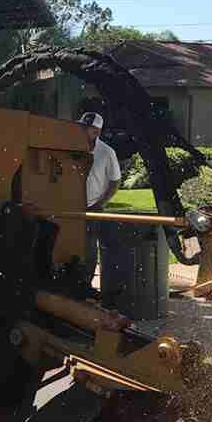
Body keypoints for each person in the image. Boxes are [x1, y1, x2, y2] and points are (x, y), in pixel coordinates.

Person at [79, 112, 121, 291]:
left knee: (89, 246)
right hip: (69, 205)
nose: (81, 130)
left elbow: (115, 181)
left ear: (96, 131)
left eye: (86, 128)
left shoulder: (106, 152)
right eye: (81, 126)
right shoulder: (71, 147)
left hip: (92, 206)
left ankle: (86, 284)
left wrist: (101, 204)